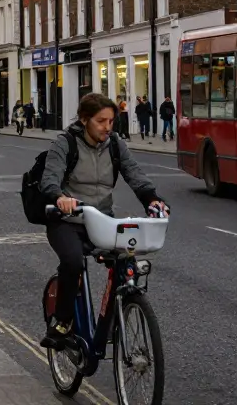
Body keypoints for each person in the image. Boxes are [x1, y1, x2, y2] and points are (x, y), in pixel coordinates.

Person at [40, 93, 168, 350]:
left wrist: (152, 199)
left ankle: (116, 314)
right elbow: (49, 180)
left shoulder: (115, 145)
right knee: (73, 261)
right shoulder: (65, 143)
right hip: (67, 220)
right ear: (85, 119)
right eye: (101, 121)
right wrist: (61, 198)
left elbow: (135, 175)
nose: (107, 127)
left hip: (101, 221)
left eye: (111, 121)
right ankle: (62, 322)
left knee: (127, 259)